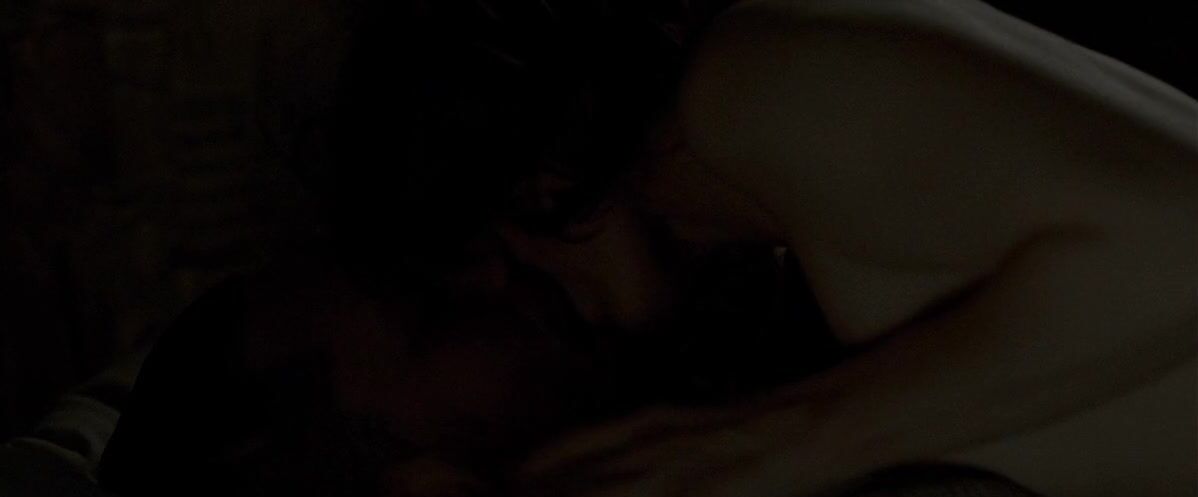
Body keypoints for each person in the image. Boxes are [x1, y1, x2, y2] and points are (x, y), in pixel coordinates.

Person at [99, 0, 1196, 496]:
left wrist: (783, 445)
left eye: (430, 299)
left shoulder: (747, 90)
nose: (498, 285)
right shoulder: (797, 250)